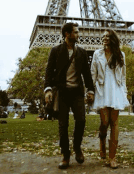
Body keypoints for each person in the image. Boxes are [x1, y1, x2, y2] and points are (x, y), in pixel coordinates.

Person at [44, 22, 95, 169]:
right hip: (62, 92)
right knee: (63, 125)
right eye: (76, 32)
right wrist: (48, 89)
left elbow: (86, 74)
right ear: (67, 34)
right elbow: (48, 72)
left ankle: (77, 147)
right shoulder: (55, 51)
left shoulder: (82, 52)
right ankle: (65, 155)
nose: (79, 34)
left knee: (81, 120)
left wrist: (90, 90)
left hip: (77, 92)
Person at [91, 29, 129, 169]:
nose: (104, 38)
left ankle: (112, 157)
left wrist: (124, 92)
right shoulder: (97, 54)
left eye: (107, 36)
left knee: (114, 123)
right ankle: (102, 139)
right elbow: (92, 73)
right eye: (103, 36)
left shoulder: (121, 55)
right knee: (105, 122)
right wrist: (89, 92)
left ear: (112, 38)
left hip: (116, 89)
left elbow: (123, 76)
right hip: (102, 89)